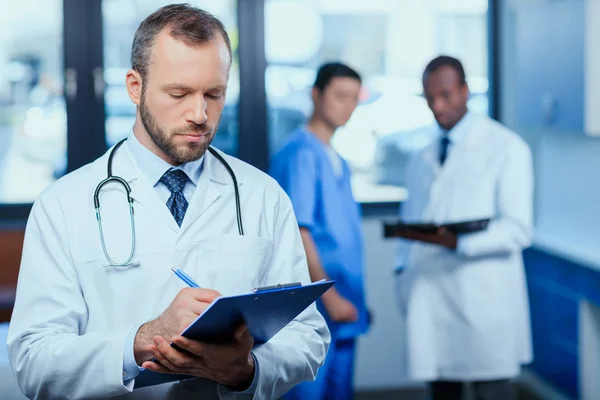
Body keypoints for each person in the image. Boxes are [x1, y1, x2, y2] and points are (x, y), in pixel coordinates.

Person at [6, 5, 329, 400]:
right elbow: (33, 362)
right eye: (179, 93)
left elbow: (308, 337)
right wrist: (144, 338)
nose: (199, 114)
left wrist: (247, 371)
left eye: (214, 94)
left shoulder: (263, 196)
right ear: (134, 87)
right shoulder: (63, 205)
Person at [393, 55, 534, 400]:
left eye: (446, 95)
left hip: (483, 299)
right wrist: (401, 273)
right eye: (430, 98)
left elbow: (519, 229)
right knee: (442, 389)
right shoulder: (421, 157)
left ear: (466, 91)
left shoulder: (507, 148)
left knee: (492, 389)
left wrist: (457, 242)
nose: (437, 106)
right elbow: (409, 223)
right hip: (430, 295)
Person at [269, 62, 369, 400]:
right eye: (340, 95)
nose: (348, 105)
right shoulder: (301, 154)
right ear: (316, 95)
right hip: (321, 303)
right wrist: (331, 297)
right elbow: (299, 231)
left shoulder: (336, 158)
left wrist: (351, 298)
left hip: (344, 305)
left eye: (354, 98)